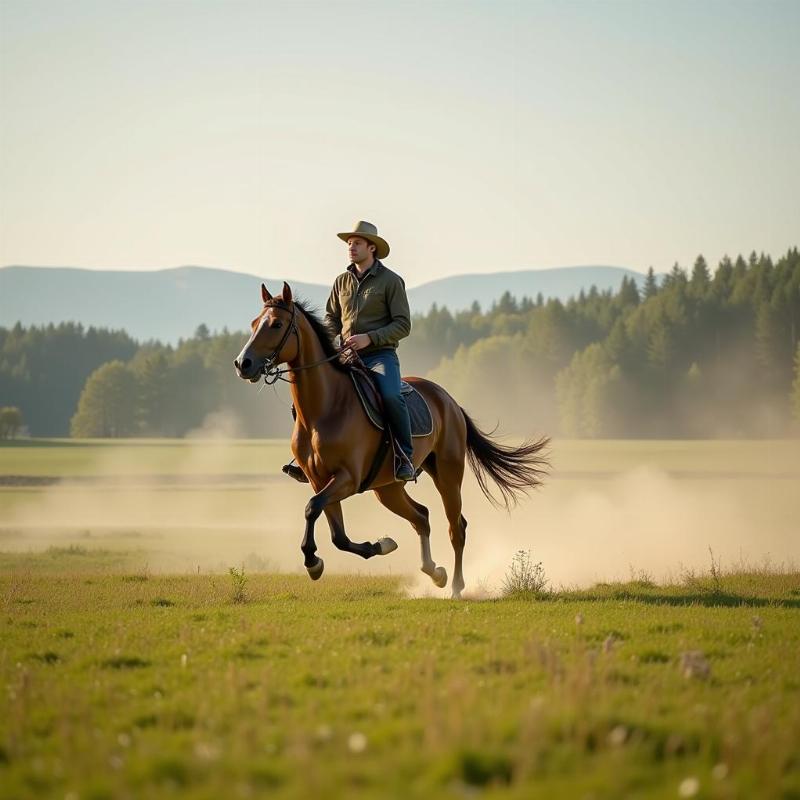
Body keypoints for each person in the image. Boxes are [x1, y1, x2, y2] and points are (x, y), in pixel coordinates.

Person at [283, 220, 415, 482]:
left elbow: (403, 324)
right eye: (349, 243)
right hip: (345, 357)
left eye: (356, 243)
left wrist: (370, 338)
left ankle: (405, 456)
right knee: (305, 400)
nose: (351, 247)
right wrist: (332, 341)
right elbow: (331, 318)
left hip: (380, 356)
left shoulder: (391, 281)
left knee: (390, 396)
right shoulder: (341, 281)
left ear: (371, 248)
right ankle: (307, 458)